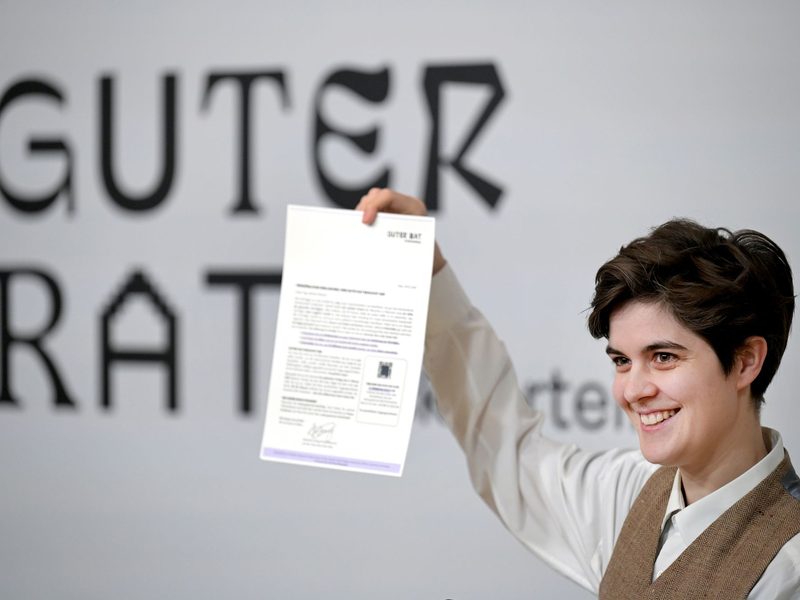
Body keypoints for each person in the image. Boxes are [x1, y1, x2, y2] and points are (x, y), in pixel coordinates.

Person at [357, 188, 800, 599]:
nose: (633, 390)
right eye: (621, 360)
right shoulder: (629, 491)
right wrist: (428, 269)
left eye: (663, 357)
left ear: (745, 361)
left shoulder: (789, 564)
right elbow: (507, 451)